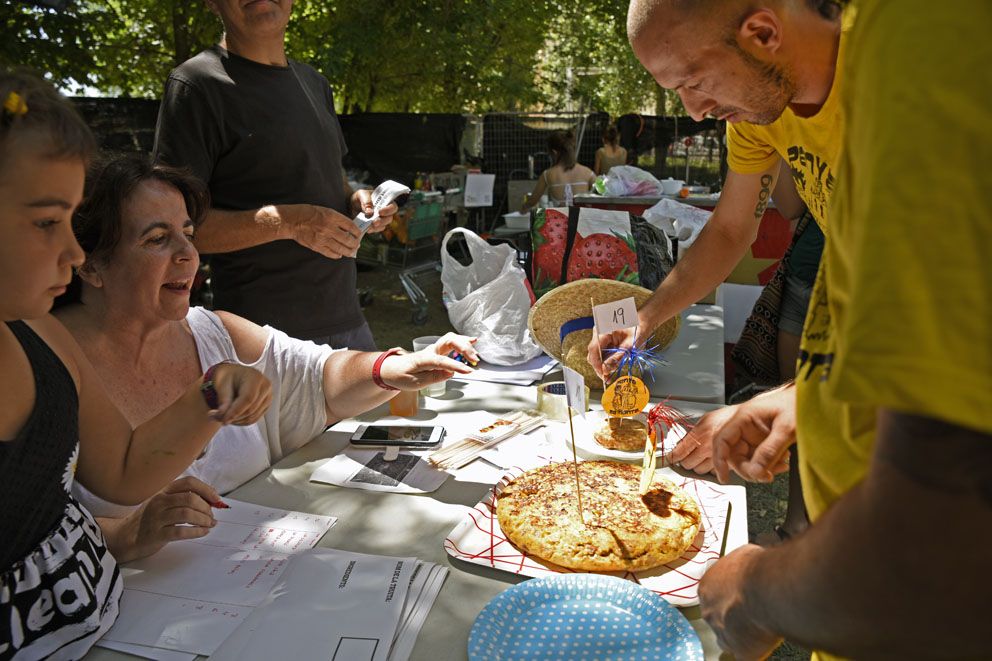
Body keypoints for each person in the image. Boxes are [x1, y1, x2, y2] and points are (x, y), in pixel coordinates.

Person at [697, 1, 992, 658]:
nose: (692, 110)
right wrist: (813, 394)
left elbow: (928, 546)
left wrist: (752, 590)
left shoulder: (926, 27)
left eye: (693, 78)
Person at [53, 153, 477, 563]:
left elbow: (319, 380)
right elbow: (29, 536)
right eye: (157, 239)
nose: (188, 255)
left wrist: (390, 368)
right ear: (88, 265)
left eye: (188, 233)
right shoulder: (41, 367)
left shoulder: (214, 331)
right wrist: (125, 536)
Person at [0, 71, 271, 659]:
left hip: (112, 621)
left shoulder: (40, 334)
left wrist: (209, 398)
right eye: (47, 222)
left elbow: (121, 467)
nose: (73, 254)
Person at [591, 0, 848, 379]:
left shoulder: (905, 75)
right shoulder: (755, 112)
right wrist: (645, 320)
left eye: (694, 81)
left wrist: (804, 400)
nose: (694, 111)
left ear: (763, 34)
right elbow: (730, 229)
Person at [153, 0, 394, 349]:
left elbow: (328, 176)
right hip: (261, 339)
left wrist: (357, 200)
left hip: (348, 323)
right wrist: (288, 222)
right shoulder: (196, 85)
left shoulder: (315, 84)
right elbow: (172, 228)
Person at [521, 130, 596, 210]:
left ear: (554, 152)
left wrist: (524, 207)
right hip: (583, 220)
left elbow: (533, 201)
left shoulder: (547, 175)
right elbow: (603, 194)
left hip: (560, 221)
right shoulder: (588, 173)